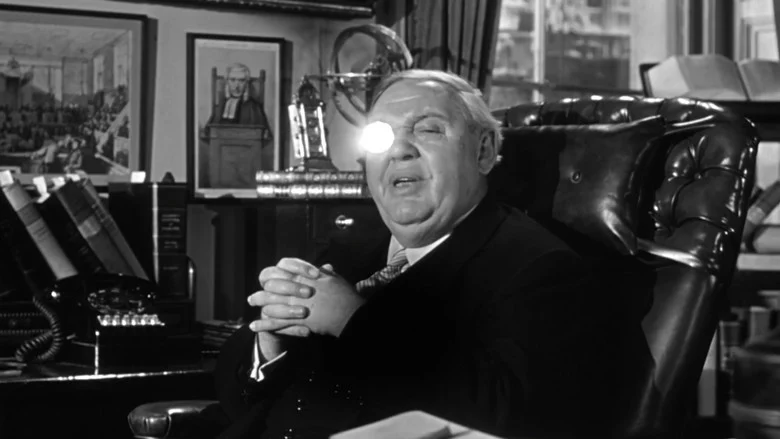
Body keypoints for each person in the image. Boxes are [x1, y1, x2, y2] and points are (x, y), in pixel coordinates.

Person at [214, 69, 615, 439]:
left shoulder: (541, 270)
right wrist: (269, 346)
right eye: (380, 136)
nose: (399, 150)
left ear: (483, 151)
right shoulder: (350, 249)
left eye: (428, 130)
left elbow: (499, 415)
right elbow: (234, 400)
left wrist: (353, 320)